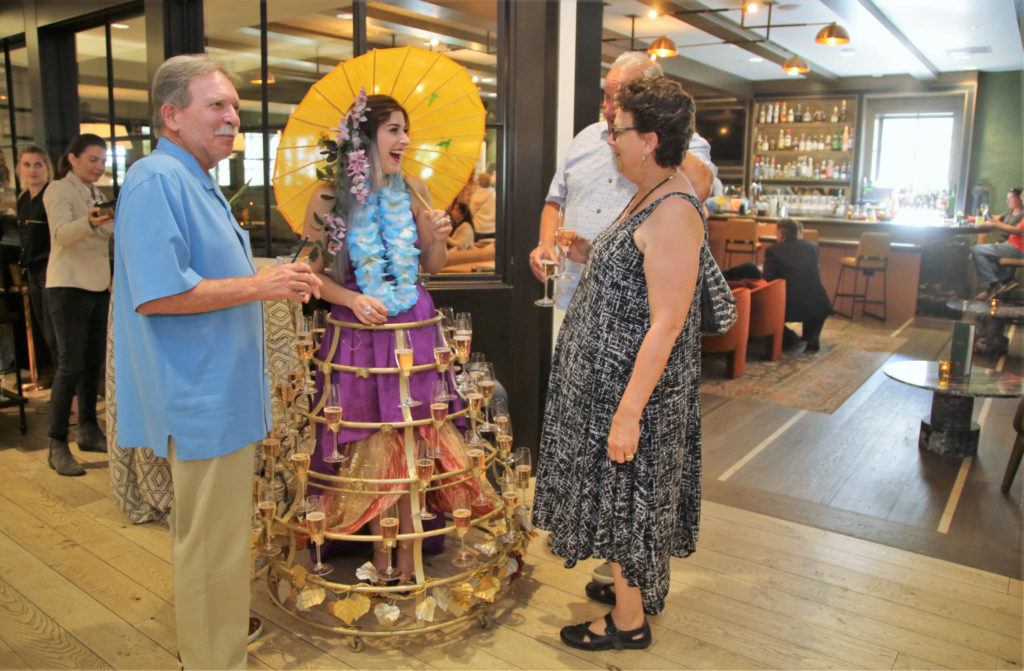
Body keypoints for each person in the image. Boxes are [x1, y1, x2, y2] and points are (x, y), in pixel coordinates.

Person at [112, 54, 321, 670]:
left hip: (221, 394)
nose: (232, 118)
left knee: (223, 544)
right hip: (198, 395)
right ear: (171, 115)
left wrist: (265, 277)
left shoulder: (195, 177)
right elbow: (158, 293)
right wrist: (262, 285)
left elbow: (207, 277)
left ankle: (219, 647)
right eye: (216, 106)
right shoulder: (157, 179)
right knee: (208, 548)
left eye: (233, 106)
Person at [532, 76, 705, 651]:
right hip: (609, 380)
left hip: (633, 388)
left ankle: (628, 625)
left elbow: (668, 322)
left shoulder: (676, 207)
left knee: (628, 500)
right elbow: (637, 261)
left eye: (618, 131)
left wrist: (629, 412)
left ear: (649, 139)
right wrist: (590, 252)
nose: (611, 141)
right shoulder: (650, 189)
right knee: (615, 497)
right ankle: (626, 596)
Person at [300, 92, 489, 580]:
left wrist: (438, 236)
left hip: (415, 331)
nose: (405, 140)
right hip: (361, 335)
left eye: (406, 130)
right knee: (372, 440)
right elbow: (310, 273)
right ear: (364, 140)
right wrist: (352, 299)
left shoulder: (417, 190)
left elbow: (434, 268)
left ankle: (408, 555)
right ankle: (380, 554)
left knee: (414, 440)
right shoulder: (329, 197)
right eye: (394, 130)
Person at [529, 50, 716, 312]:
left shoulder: (687, 143)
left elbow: (702, 187)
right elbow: (555, 200)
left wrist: (665, 133)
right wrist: (546, 244)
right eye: (605, 97)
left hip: (633, 300)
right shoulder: (586, 138)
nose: (607, 109)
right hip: (574, 287)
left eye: (617, 101)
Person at [42, 133, 114, 476]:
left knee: (92, 364)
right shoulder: (58, 190)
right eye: (93, 159)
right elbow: (61, 235)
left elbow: (103, 236)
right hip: (67, 286)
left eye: (102, 161)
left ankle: (88, 430)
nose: (99, 166)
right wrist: (91, 220)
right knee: (70, 366)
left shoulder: (95, 194)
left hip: (98, 286)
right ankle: (57, 444)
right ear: (72, 159)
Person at [15, 145, 58, 375]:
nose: (33, 170)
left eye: (38, 164)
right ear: (19, 168)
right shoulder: (23, 199)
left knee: (54, 334)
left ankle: (69, 397)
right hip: (32, 271)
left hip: (51, 270)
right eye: (27, 165)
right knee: (43, 331)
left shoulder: (51, 196)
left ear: (47, 168)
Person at [763, 217, 832, 352]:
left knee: (766, 300)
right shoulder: (813, 247)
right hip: (818, 301)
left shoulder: (773, 250)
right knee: (811, 293)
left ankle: (787, 338)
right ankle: (812, 336)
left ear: (781, 235)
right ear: (798, 232)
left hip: (788, 302)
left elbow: (768, 278)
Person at [971, 187, 1023, 299]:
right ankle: (1002, 282)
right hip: (1011, 245)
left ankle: (1002, 281)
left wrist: (996, 224)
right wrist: (970, 218)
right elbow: (994, 219)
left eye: (1010, 198)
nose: (1007, 201)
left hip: (1018, 248)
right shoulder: (1009, 212)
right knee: (986, 255)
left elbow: (1018, 231)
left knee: (977, 250)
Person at [469, 172, 496, 239]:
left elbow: (471, 212)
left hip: (478, 228)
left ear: (479, 182)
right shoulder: (494, 195)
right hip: (492, 228)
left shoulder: (475, 195)